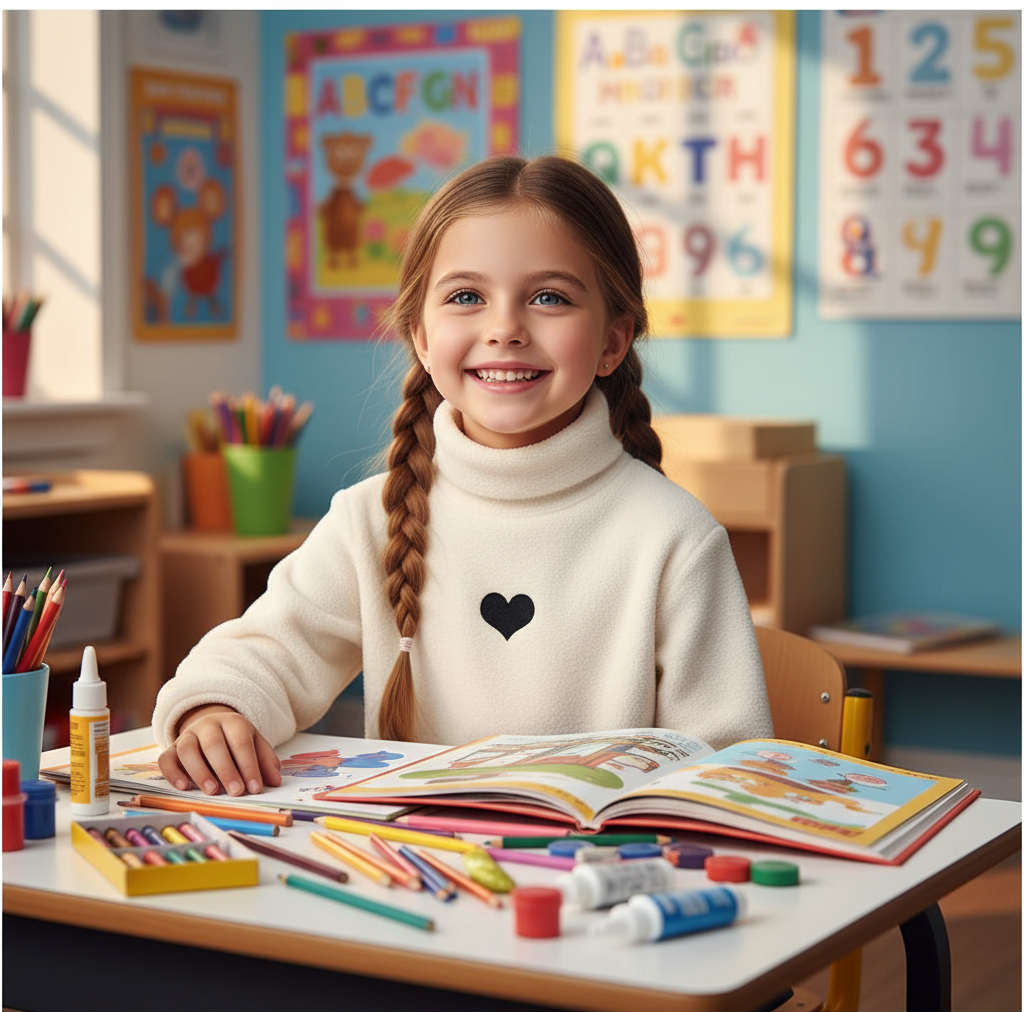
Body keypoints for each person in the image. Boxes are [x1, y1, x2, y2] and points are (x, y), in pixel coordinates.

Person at [153, 154, 773, 798]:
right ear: (421, 335)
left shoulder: (674, 536)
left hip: (594, 879)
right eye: (467, 297)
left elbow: (729, 765)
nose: (504, 328)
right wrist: (216, 708)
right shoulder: (371, 517)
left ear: (614, 341)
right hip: (410, 868)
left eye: (550, 297)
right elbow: (266, 651)